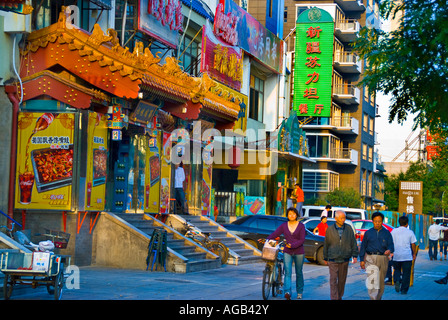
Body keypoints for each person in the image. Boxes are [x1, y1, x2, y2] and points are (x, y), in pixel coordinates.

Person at [267, 207, 306, 300]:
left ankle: (299, 292)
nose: (291, 215)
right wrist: (267, 239)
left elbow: (302, 240)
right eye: (289, 214)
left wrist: (291, 245)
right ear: (287, 215)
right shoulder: (284, 226)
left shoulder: (301, 226)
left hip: (299, 252)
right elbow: (275, 233)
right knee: (287, 272)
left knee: (299, 272)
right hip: (287, 252)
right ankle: (287, 292)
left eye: (293, 213)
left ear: (296, 215)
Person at [323, 210, 358, 300]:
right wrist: (325, 257)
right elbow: (326, 243)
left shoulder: (349, 228)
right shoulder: (330, 229)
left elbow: (353, 242)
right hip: (333, 258)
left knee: (342, 281)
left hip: (344, 259)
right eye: (341, 218)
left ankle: (339, 296)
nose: (343, 220)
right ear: (336, 218)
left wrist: (354, 255)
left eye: (344, 218)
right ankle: (334, 298)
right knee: (333, 280)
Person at [359, 211, 394, 300]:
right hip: (370, 258)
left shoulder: (387, 233)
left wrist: (389, 250)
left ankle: (378, 298)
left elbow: (391, 245)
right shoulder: (368, 233)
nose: (377, 223)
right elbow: (363, 247)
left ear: (382, 221)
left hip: (383, 258)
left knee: (381, 282)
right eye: (375, 221)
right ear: (373, 221)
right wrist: (362, 260)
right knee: (372, 280)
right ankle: (373, 298)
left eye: (379, 221)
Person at [391, 215, 417, 294]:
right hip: (407, 256)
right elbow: (413, 244)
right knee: (406, 273)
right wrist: (414, 253)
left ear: (399, 222)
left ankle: (397, 280)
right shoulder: (410, 232)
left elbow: (390, 242)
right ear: (407, 224)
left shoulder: (393, 231)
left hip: (396, 255)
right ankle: (404, 290)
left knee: (397, 270)